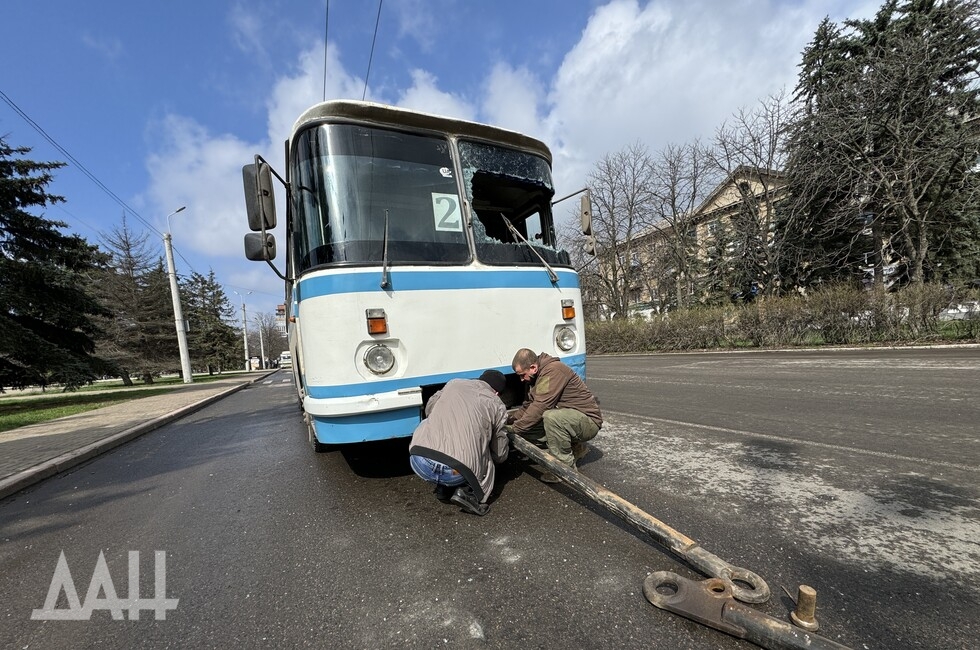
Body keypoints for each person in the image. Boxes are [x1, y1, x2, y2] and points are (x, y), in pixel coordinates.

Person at [408, 369, 509, 516]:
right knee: (482, 450)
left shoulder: (454, 383)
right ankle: (469, 494)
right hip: (455, 471)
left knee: (428, 423)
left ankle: (443, 487)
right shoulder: (496, 404)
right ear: (497, 393)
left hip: (419, 460)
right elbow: (500, 453)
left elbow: (430, 407)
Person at [509, 348, 602, 482]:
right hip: (571, 419)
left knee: (550, 417)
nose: (522, 379)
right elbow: (529, 406)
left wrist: (516, 428)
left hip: (588, 422)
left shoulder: (553, 371)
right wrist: (510, 420)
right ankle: (575, 448)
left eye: (522, 375)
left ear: (533, 367)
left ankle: (564, 469)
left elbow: (540, 406)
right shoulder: (537, 377)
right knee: (527, 427)